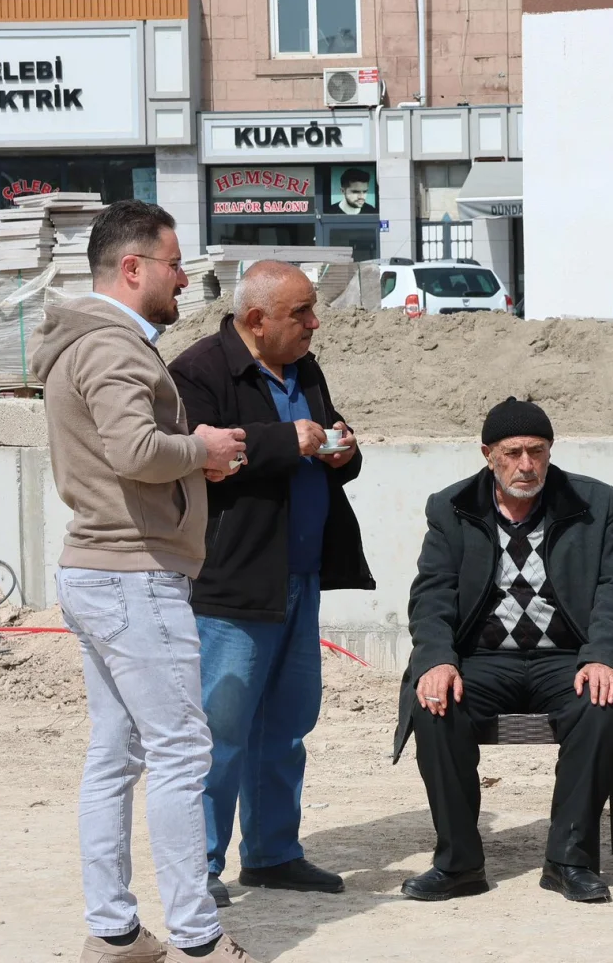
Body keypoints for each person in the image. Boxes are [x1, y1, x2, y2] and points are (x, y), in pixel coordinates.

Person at [31, 200, 258, 963]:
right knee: (180, 752)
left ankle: (115, 931)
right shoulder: (113, 348)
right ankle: (196, 939)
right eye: (174, 264)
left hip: (102, 569)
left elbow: (121, 453)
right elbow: (134, 450)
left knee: (116, 754)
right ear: (133, 268)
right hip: (133, 574)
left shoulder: (85, 342)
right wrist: (201, 450)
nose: (184, 279)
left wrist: (190, 461)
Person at [392, 397, 613, 904]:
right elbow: (432, 594)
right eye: (513, 453)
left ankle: (569, 860)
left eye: (537, 451)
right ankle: (458, 864)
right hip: (482, 660)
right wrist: (437, 660)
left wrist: (602, 654)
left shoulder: (591, 501)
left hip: (568, 657)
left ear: (551, 451)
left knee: (601, 701)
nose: (526, 465)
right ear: (488, 454)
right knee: (434, 704)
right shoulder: (451, 507)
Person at [169, 260, 374, 908]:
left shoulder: (303, 367)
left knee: (287, 724)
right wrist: (289, 440)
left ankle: (273, 854)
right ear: (256, 320)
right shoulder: (199, 372)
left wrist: (343, 450)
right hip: (234, 585)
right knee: (221, 730)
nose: (315, 324)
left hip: (300, 578)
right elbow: (201, 459)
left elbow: (326, 443)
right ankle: (199, 867)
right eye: (301, 312)